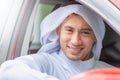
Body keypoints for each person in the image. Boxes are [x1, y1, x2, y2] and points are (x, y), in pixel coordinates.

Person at [0, 3, 114, 80]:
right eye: (69, 30)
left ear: (95, 37)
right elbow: (7, 70)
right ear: (58, 31)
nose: (75, 41)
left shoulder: (109, 72)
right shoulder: (47, 63)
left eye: (85, 33)